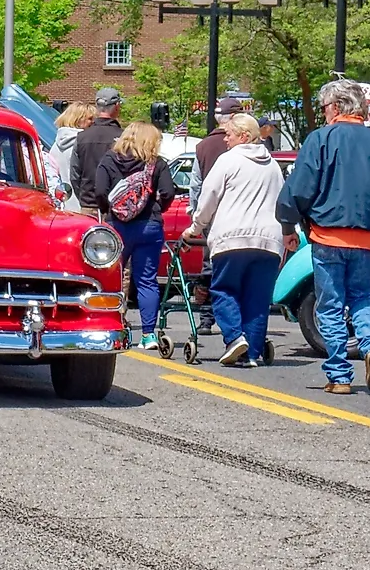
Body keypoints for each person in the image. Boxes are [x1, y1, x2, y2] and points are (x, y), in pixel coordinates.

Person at [279, 79, 370, 394]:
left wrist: (287, 225)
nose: (324, 114)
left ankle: (339, 376)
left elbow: (300, 188)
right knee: (362, 297)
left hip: (327, 236)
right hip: (367, 238)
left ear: (335, 107)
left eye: (324, 108)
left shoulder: (321, 139)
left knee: (330, 305)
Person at [182, 113, 289, 367]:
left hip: (232, 238)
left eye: (229, 134)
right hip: (268, 242)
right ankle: (251, 353)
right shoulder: (272, 165)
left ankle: (233, 338)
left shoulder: (228, 161)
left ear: (243, 136)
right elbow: (282, 201)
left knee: (223, 289)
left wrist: (195, 228)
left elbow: (208, 197)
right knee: (258, 297)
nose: (225, 139)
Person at [96, 118, 174, 350]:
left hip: (117, 227)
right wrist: (158, 207)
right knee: (146, 281)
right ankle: (148, 334)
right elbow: (168, 192)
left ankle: (110, 326)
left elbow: (100, 190)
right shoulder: (156, 164)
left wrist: (108, 209)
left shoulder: (109, 159)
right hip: (149, 225)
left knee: (111, 279)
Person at [70, 87, 126, 212]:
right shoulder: (124, 137)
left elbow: (74, 175)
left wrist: (84, 199)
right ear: (117, 106)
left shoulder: (81, 137)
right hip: (117, 208)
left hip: (88, 205)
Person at [48, 103, 95, 205]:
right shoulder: (85, 145)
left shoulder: (55, 146)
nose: (93, 122)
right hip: (85, 203)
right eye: (90, 119)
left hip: (64, 202)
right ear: (78, 119)